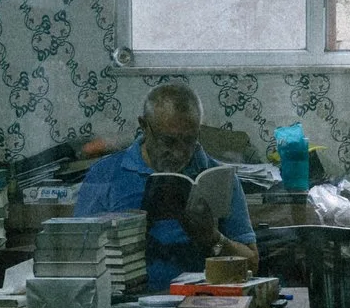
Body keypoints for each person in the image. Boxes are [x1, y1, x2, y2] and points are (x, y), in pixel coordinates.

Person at [74, 84, 258, 294]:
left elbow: (252, 263)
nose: (179, 153)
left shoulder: (218, 178)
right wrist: (129, 232)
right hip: (126, 302)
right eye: (168, 141)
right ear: (144, 126)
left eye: (189, 140)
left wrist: (212, 238)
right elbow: (78, 256)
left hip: (200, 306)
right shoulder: (105, 174)